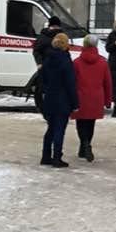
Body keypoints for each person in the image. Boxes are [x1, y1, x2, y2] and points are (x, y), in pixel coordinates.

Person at [40, 31, 78, 167]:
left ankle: (45, 156)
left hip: (50, 98)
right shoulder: (65, 61)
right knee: (59, 129)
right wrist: (75, 103)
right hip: (63, 100)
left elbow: (42, 79)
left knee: (50, 128)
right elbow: (70, 83)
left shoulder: (47, 59)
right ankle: (57, 157)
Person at [72, 34, 112, 161]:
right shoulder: (103, 62)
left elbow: (72, 82)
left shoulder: (76, 62)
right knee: (90, 123)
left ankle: (84, 144)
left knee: (81, 123)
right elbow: (107, 82)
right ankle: (86, 146)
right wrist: (108, 100)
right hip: (96, 97)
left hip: (81, 97)